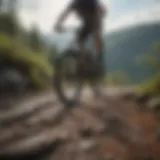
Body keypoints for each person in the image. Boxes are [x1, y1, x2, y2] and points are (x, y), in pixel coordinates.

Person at [54, 0, 107, 74]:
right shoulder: (74, 3)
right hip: (86, 23)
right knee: (79, 39)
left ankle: (99, 59)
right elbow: (65, 14)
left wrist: (98, 27)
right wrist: (58, 24)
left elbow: (99, 10)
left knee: (95, 34)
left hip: (96, 18)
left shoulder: (89, 2)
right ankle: (84, 60)